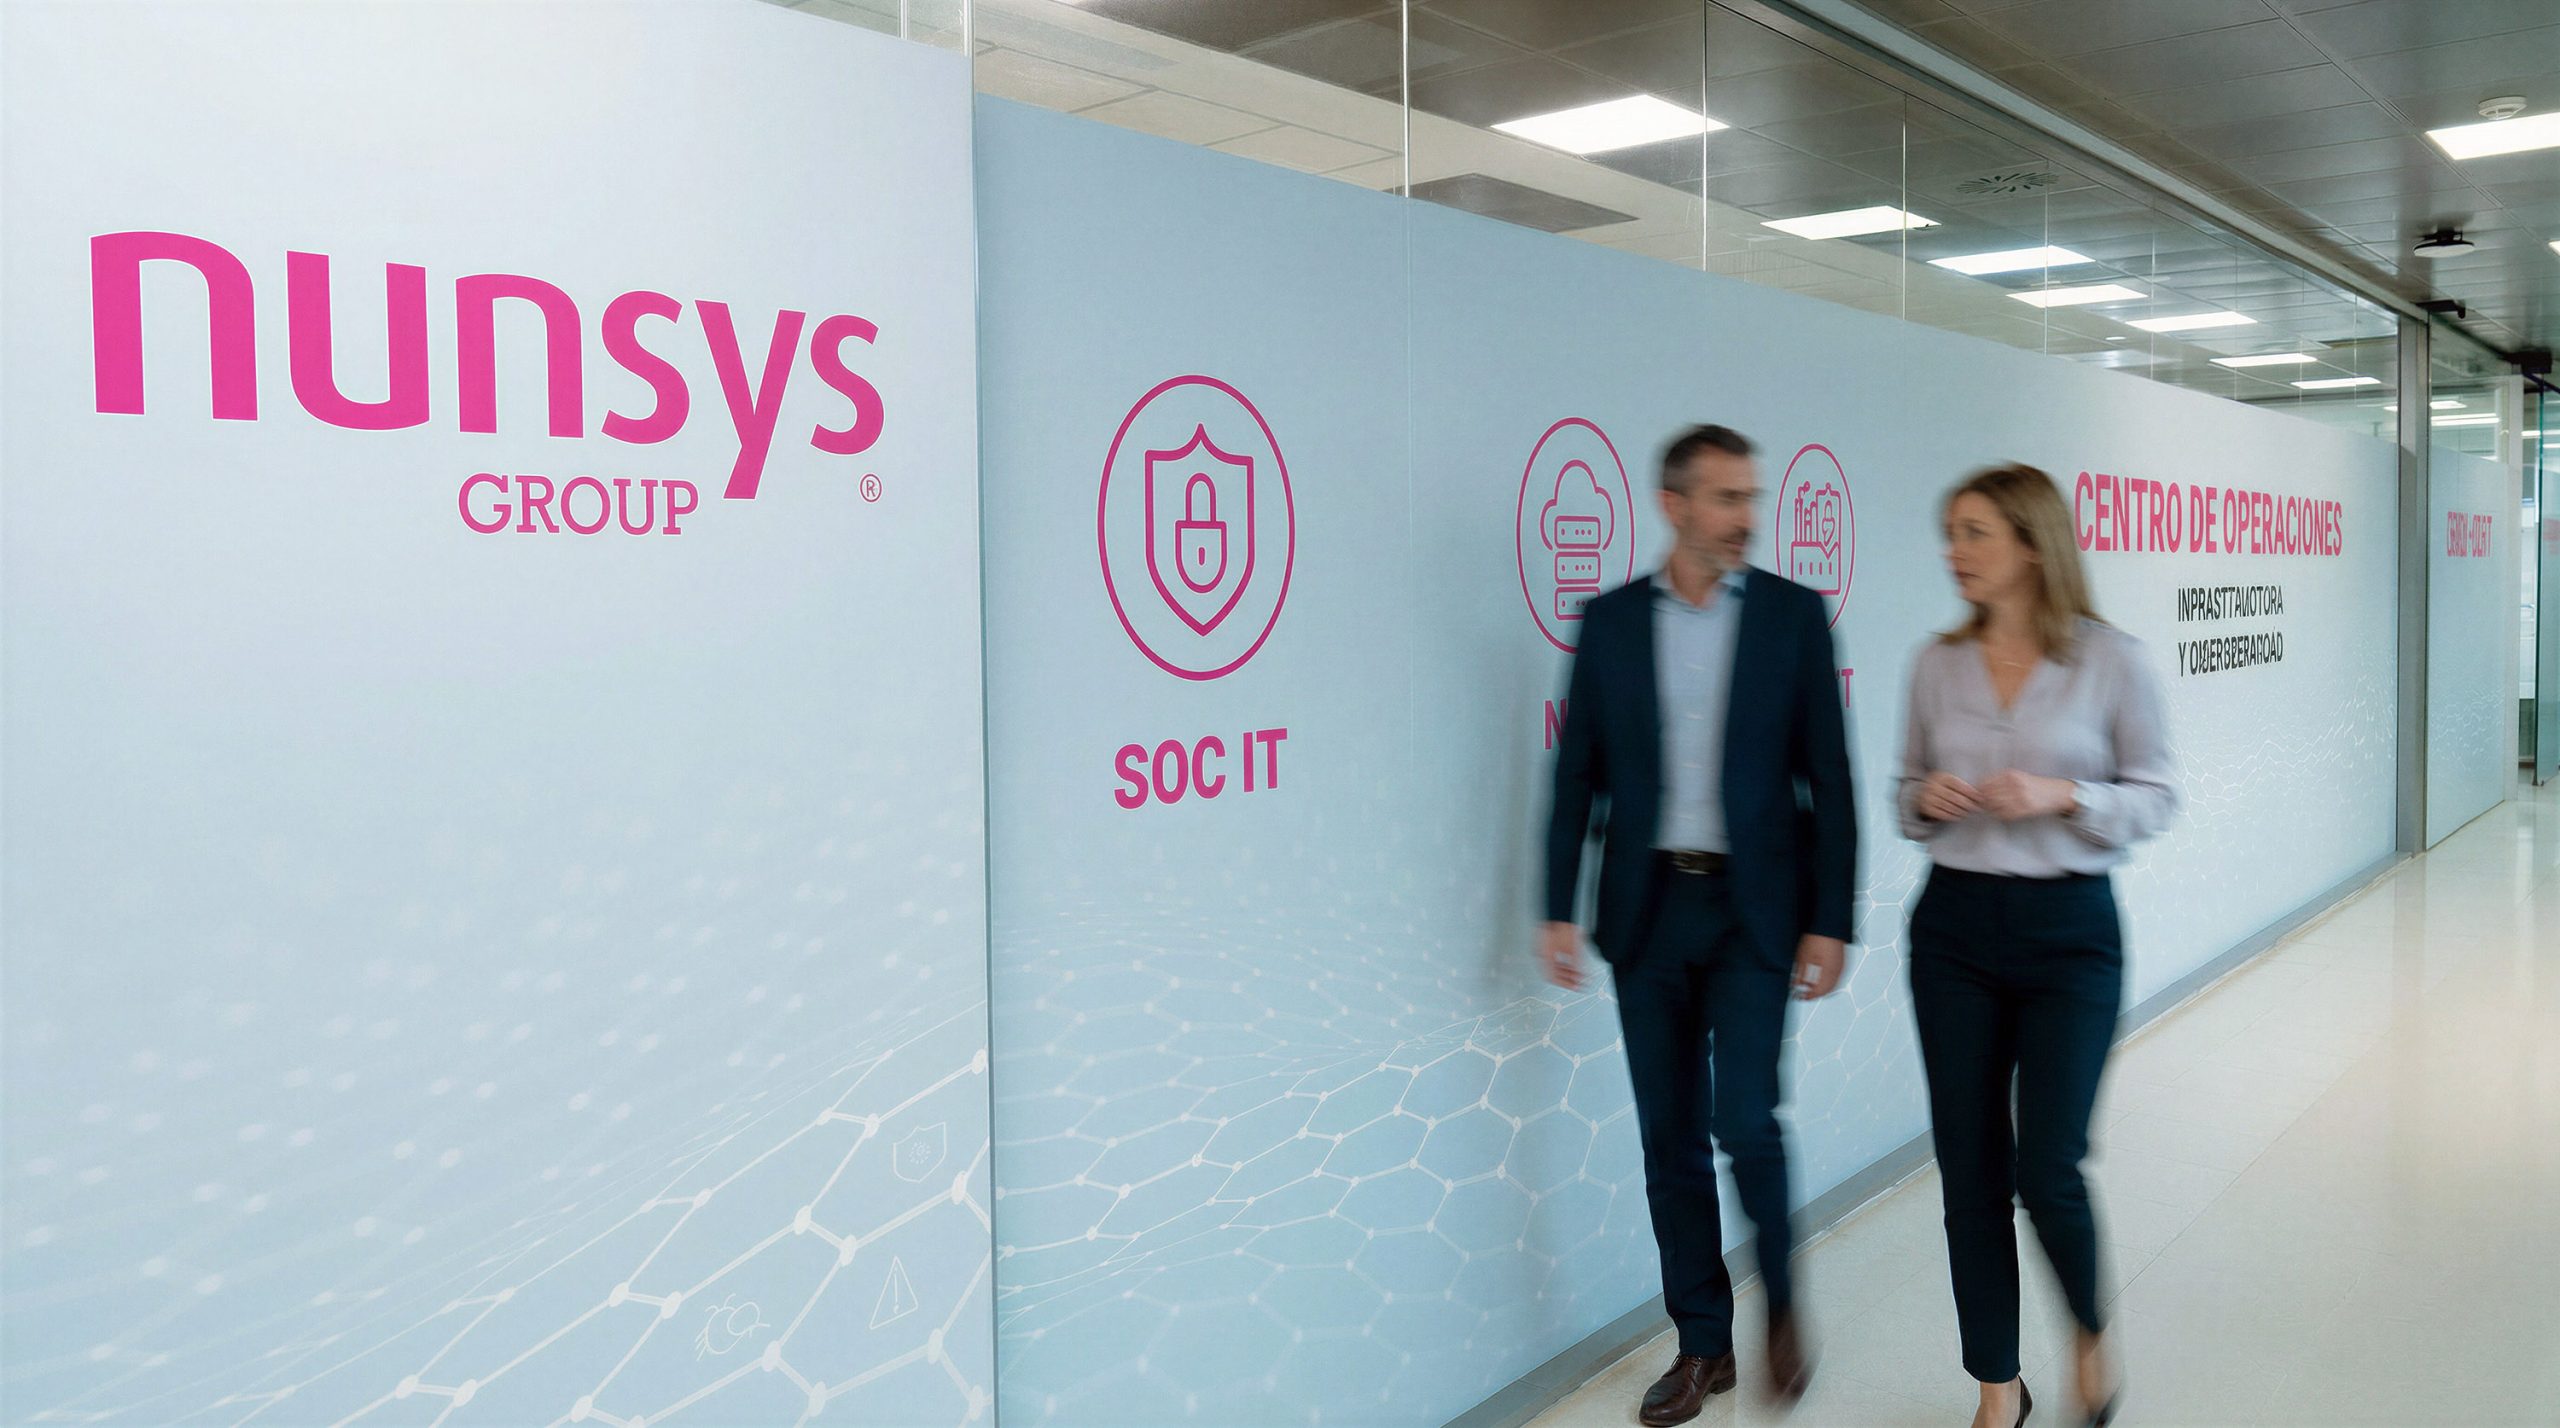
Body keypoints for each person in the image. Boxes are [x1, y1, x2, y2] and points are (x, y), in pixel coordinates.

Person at [1541, 423, 1857, 1426]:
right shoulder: (1609, 623)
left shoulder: (1792, 618)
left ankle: (1783, 1300)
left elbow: (1830, 779)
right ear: (1673, 505)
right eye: (1725, 498)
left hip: (1752, 912)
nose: (1744, 517)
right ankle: (1702, 1343)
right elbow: (1577, 777)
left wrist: (1830, 920)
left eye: (1750, 497)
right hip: (1647, 913)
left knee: (1744, 1121)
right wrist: (1555, 906)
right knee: (1669, 1138)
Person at [1897, 465, 2178, 1428]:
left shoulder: (2113, 660)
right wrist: (1924, 798)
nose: (1954, 551)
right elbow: (1903, 794)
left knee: (2048, 1164)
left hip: (2071, 937)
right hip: (1954, 932)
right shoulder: (1935, 664)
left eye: (1973, 532)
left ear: (2030, 543)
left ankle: (2090, 1331)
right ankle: (1996, 1388)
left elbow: (2158, 796)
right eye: (1950, 532)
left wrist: (2065, 795)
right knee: (1969, 1170)